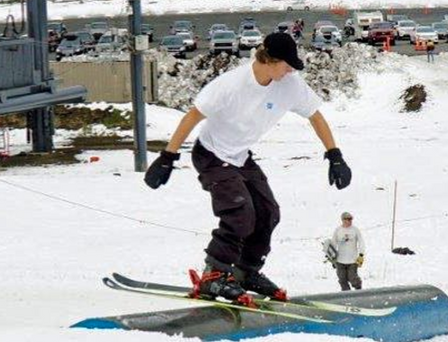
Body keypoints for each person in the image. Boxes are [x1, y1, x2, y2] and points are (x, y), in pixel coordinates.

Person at [144, 32, 352, 303]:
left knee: (268, 213)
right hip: (210, 154)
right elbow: (192, 116)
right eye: (286, 65)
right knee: (240, 211)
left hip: (241, 156)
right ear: (270, 60)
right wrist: (167, 157)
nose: (291, 70)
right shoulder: (230, 85)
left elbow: (316, 116)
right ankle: (214, 276)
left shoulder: (290, 85)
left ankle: (245, 271)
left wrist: (334, 155)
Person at [331, 211, 364, 291]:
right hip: (340, 260)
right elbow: (333, 243)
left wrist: (361, 255)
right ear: (342, 220)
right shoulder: (338, 230)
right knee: (342, 279)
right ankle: (346, 294)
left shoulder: (355, 230)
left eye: (350, 219)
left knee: (353, 278)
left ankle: (358, 289)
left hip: (352, 260)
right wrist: (332, 257)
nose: (349, 221)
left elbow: (361, 242)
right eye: (347, 219)